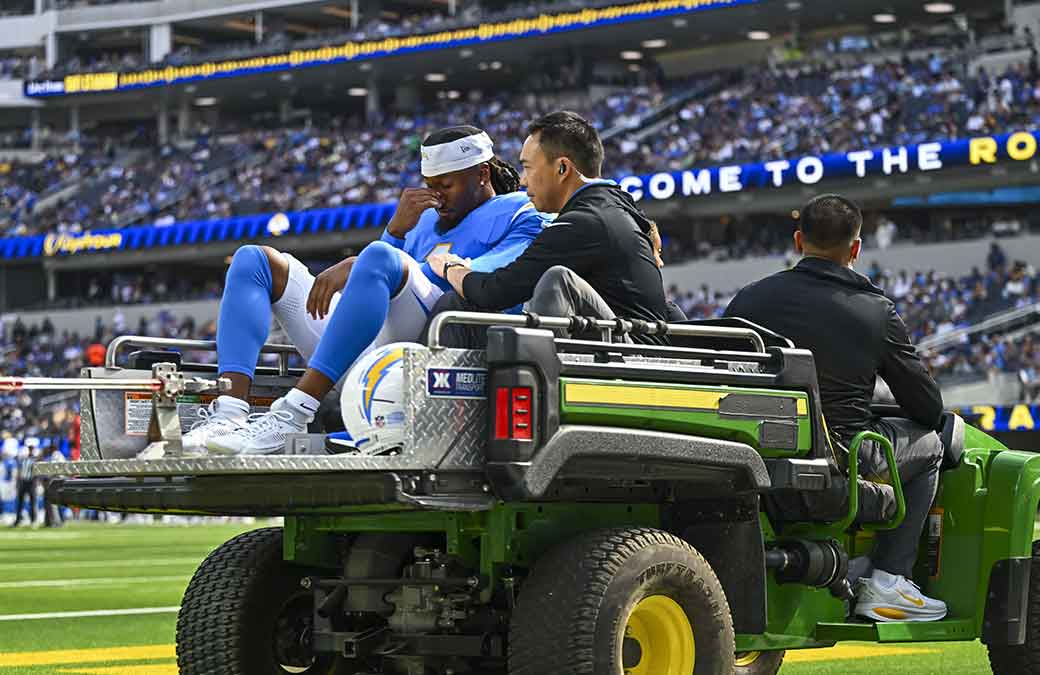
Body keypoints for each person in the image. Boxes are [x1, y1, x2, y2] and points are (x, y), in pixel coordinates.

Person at [187, 125, 547, 455]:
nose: (435, 196)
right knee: (255, 261)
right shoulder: (423, 222)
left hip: (434, 349)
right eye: (429, 184)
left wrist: (371, 255)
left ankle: (292, 414)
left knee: (376, 255)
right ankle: (229, 413)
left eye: (446, 184)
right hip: (365, 349)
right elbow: (377, 284)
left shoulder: (522, 211)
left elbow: (495, 278)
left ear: (482, 174)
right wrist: (394, 232)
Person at [723, 194, 947, 622]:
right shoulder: (874, 310)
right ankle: (889, 578)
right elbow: (928, 408)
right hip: (837, 466)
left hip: (755, 462)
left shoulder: (747, 301)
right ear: (856, 248)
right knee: (932, 443)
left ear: (798, 240)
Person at [426, 111, 673, 346]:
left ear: (562, 169)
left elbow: (495, 291)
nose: (522, 180)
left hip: (628, 359)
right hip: (632, 349)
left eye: (528, 167)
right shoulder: (609, 207)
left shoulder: (581, 223)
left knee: (461, 305)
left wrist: (452, 268)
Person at [13, 444, 38, 527]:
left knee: (32, 502)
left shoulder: (35, 460)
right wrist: (18, 482)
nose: (30, 451)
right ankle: (18, 520)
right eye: (29, 449)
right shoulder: (24, 459)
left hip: (31, 482)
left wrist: (36, 482)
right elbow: (20, 471)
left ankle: (33, 520)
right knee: (20, 502)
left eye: (31, 449)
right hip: (23, 482)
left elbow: (37, 473)